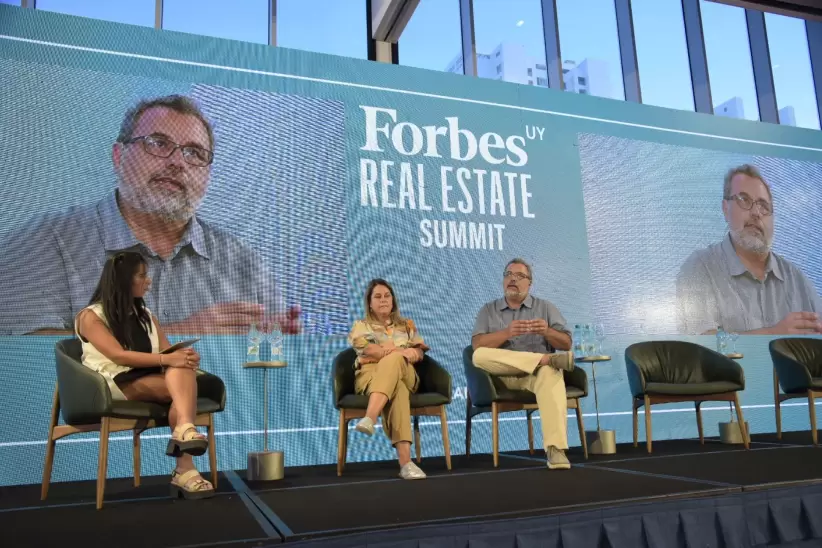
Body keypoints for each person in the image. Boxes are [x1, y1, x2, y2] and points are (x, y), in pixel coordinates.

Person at [0, 94, 299, 336]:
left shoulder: (244, 264)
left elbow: (273, 373)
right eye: (158, 144)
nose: (178, 162)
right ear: (118, 156)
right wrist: (178, 335)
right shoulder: (44, 243)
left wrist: (281, 348)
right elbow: (31, 368)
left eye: (195, 153)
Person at [75, 251, 214, 499]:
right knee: (181, 389)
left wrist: (184, 357)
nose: (147, 281)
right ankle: (185, 467)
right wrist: (168, 359)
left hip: (151, 377)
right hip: (114, 383)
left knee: (182, 370)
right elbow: (119, 356)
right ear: (123, 279)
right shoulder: (90, 316)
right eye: (142, 275)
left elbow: (167, 351)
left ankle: (184, 434)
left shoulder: (147, 316)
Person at [676, 164, 822, 335]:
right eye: (744, 200)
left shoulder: (796, 279)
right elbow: (700, 349)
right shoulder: (700, 267)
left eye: (763, 206)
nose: (756, 213)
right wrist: (774, 335)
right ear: (725, 208)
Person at [471, 258, 575, 470]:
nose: (513, 279)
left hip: (535, 377)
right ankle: (543, 359)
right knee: (478, 356)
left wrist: (546, 331)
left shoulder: (545, 307)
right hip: (502, 378)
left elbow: (566, 343)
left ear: (530, 283)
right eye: (509, 274)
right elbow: (477, 345)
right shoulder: (488, 310)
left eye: (519, 276)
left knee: (550, 373)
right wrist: (506, 333)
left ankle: (555, 450)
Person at [348, 279, 429, 480]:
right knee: (398, 388)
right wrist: (398, 350)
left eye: (387, 296)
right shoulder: (361, 325)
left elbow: (420, 351)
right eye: (378, 296)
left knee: (396, 361)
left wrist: (410, 353)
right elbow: (366, 348)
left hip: (406, 372)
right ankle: (406, 464)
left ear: (393, 299)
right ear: (369, 302)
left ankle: (370, 417)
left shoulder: (407, 324)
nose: (383, 300)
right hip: (370, 375)